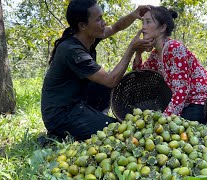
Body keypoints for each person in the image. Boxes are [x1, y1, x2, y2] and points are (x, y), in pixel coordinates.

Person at [41, 0, 154, 140]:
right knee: (116, 130)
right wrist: (131, 49)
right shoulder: (72, 50)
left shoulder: (88, 37)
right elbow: (111, 80)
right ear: (82, 25)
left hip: (78, 101)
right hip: (61, 114)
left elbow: (115, 28)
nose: (104, 23)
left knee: (104, 85)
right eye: (98, 19)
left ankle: (94, 117)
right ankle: (63, 131)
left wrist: (133, 15)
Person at [132, 6, 207, 124]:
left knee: (177, 126)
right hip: (186, 102)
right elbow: (141, 77)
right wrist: (138, 53)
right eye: (143, 22)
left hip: (201, 101)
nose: (143, 27)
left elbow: (182, 90)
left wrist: (165, 119)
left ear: (162, 27)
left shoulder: (175, 49)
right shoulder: (156, 54)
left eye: (148, 22)